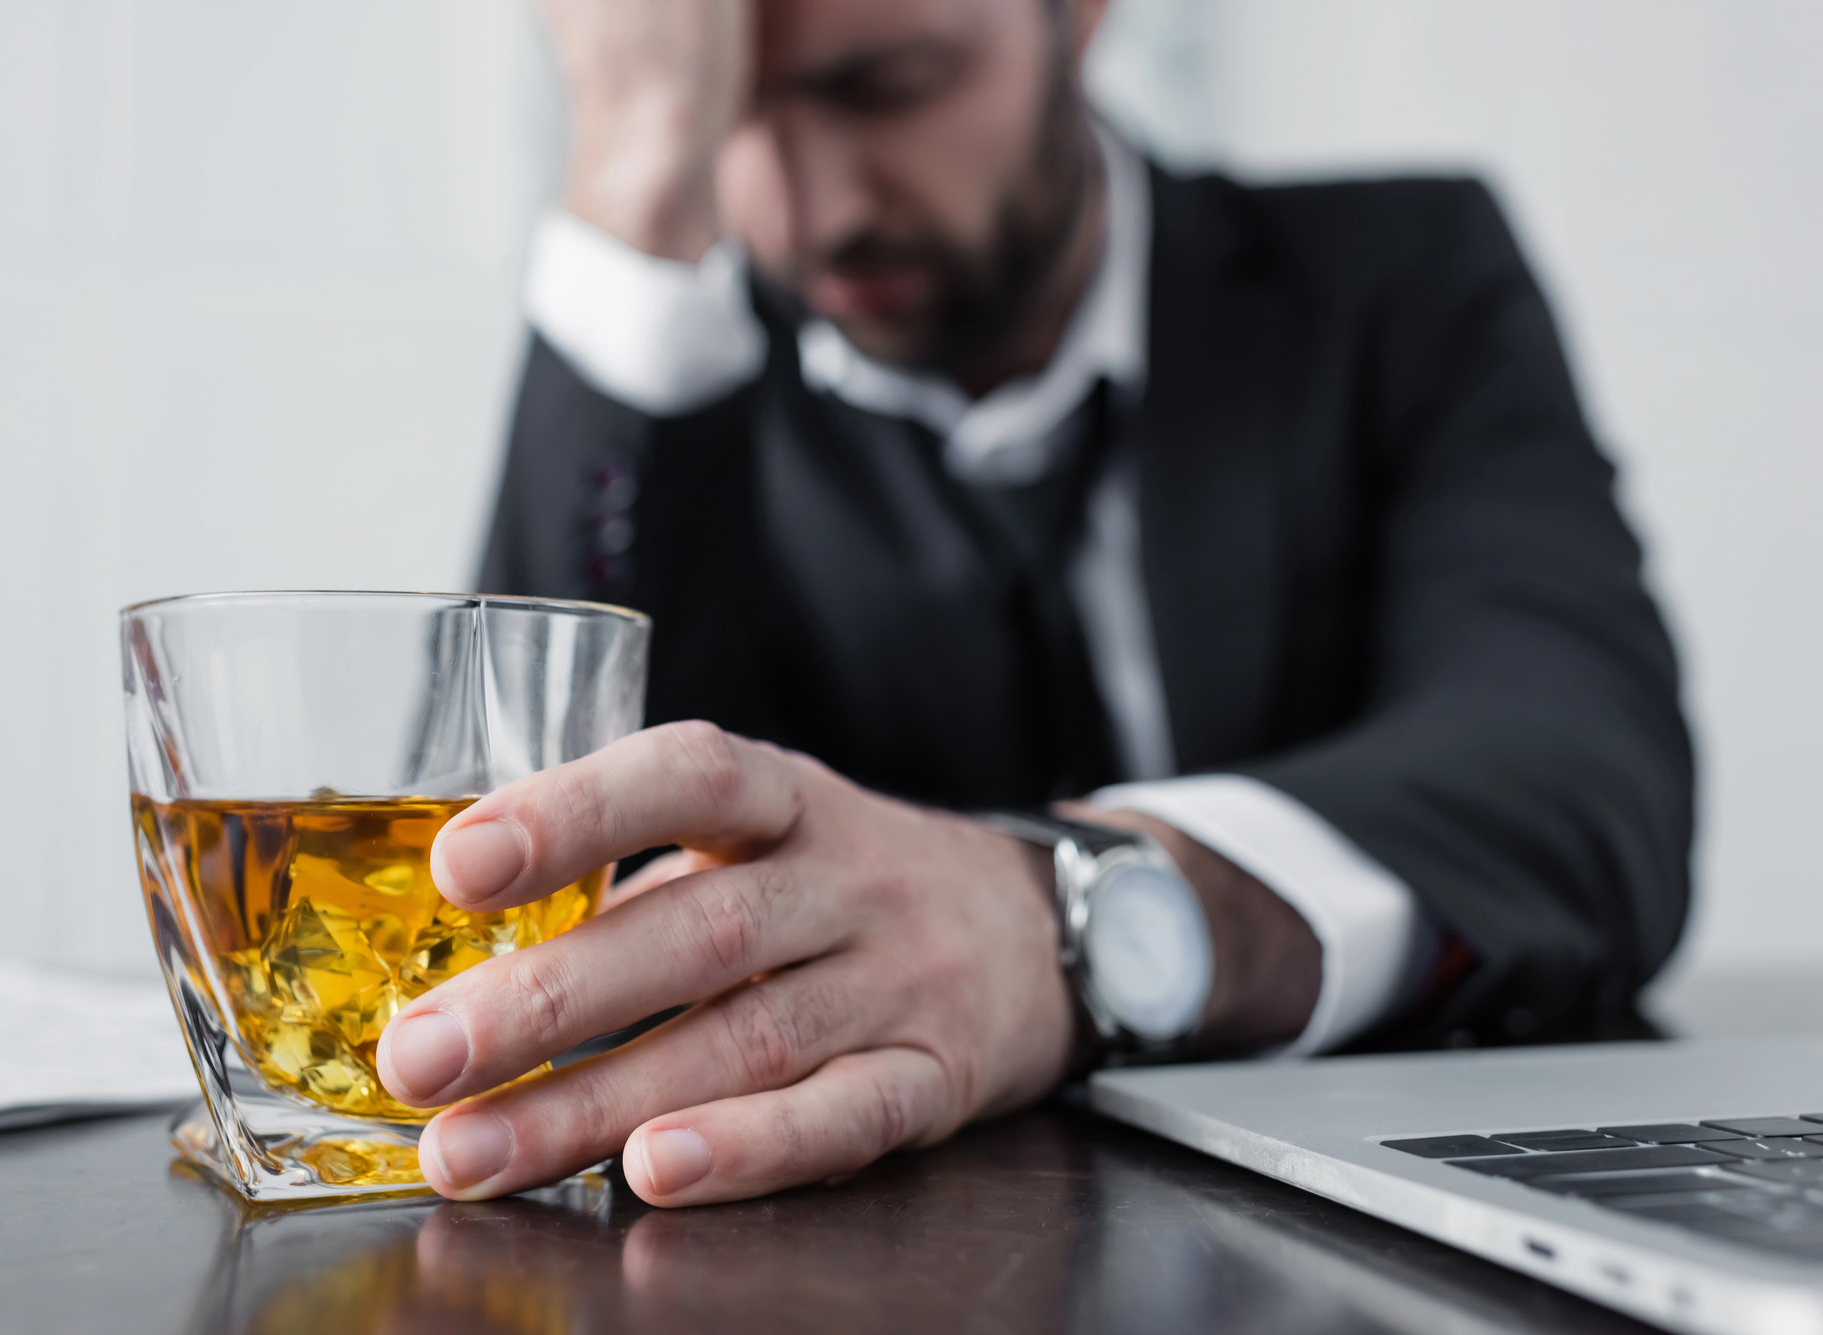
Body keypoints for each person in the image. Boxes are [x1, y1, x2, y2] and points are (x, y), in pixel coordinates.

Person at [370, 0, 1694, 1207]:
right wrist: (637, 181)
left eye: (889, 85)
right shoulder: (676, 404)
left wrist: (1071, 919)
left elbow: (1580, 775)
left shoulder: (1402, 277)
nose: (813, 208)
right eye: (732, 119)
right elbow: (496, 879)